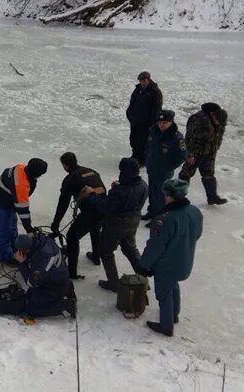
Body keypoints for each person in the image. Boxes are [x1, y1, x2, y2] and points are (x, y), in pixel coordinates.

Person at [139, 179, 203, 337]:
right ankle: (174, 315)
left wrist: (144, 264)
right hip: (185, 260)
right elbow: (197, 234)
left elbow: (155, 246)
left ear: (170, 196)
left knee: (163, 293)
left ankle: (166, 326)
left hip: (166, 265)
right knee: (173, 286)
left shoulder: (164, 219)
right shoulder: (194, 211)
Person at [84, 158, 149, 292]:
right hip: (133, 221)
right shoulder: (143, 184)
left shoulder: (121, 191)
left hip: (115, 224)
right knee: (131, 249)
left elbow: (105, 206)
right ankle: (143, 279)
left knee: (106, 251)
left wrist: (91, 195)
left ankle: (113, 283)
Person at [50, 152, 105, 279]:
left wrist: (56, 223)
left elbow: (63, 204)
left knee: (72, 237)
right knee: (95, 227)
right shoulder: (92, 171)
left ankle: (72, 273)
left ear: (65, 165)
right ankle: (96, 257)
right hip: (105, 207)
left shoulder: (70, 179)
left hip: (91, 211)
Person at [0, 159, 48, 265]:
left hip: (9, 201)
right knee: (3, 232)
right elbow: (23, 211)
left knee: (11, 229)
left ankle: (15, 249)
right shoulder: (20, 185)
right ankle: (5, 257)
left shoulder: (22, 167)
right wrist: (29, 229)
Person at [13, 233, 76, 319]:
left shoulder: (42, 259)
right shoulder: (42, 239)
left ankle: (66, 306)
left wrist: (22, 263)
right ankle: (68, 288)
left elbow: (32, 283)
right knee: (29, 295)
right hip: (60, 275)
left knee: (30, 309)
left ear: (25, 251)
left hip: (55, 286)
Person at [143, 109, 187, 226]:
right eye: (160, 122)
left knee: (161, 195)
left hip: (164, 172)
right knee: (152, 191)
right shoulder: (153, 131)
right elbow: (148, 146)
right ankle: (151, 212)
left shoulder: (176, 137)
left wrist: (169, 166)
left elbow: (182, 155)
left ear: (171, 122)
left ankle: (158, 218)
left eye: (165, 123)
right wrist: (147, 159)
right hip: (152, 168)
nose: (162, 125)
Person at [179, 103, 229, 205]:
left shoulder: (220, 120)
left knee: (209, 174)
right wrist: (189, 154)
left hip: (210, 152)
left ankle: (212, 197)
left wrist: (216, 148)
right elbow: (188, 138)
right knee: (186, 173)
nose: (219, 123)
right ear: (212, 114)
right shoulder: (197, 120)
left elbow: (219, 135)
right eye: (217, 121)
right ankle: (178, 197)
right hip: (195, 152)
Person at [126, 71, 163, 166]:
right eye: (140, 81)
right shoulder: (137, 89)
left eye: (143, 80)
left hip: (145, 123)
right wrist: (129, 114)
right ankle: (134, 157)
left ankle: (142, 160)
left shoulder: (155, 92)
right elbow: (132, 102)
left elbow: (156, 110)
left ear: (148, 79)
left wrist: (152, 124)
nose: (142, 82)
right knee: (133, 140)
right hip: (135, 121)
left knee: (142, 142)